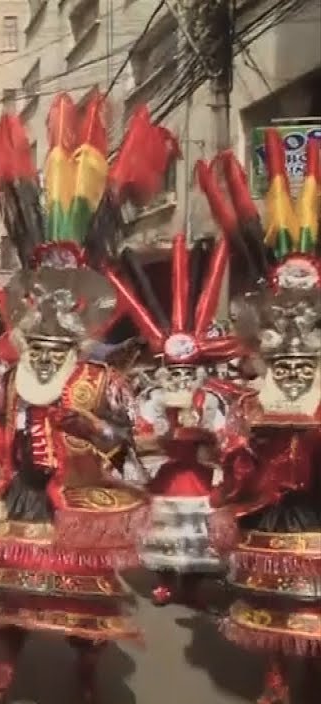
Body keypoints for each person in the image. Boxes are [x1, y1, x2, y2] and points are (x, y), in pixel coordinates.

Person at [0, 93, 175, 704]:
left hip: (82, 498)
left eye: (59, 339)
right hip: (26, 492)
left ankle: (87, 667)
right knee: (17, 593)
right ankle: (4, 670)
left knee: (84, 598)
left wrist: (91, 426)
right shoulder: (9, 380)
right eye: (38, 337)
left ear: (78, 333)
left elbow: (129, 441)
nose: (47, 347)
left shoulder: (104, 382)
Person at [201, 131, 321, 704]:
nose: (296, 329)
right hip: (275, 503)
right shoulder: (252, 391)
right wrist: (239, 447)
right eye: (284, 320)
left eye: (309, 320)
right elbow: (234, 451)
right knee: (273, 594)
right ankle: (276, 678)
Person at [112, 234, 239, 607]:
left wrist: (207, 439)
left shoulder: (213, 398)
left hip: (200, 476)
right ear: (164, 372)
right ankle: (166, 580)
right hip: (166, 474)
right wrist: (163, 437)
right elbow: (141, 435)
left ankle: (194, 583)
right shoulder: (151, 396)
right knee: (165, 530)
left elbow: (224, 436)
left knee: (197, 532)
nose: (181, 380)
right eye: (174, 373)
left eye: (187, 373)